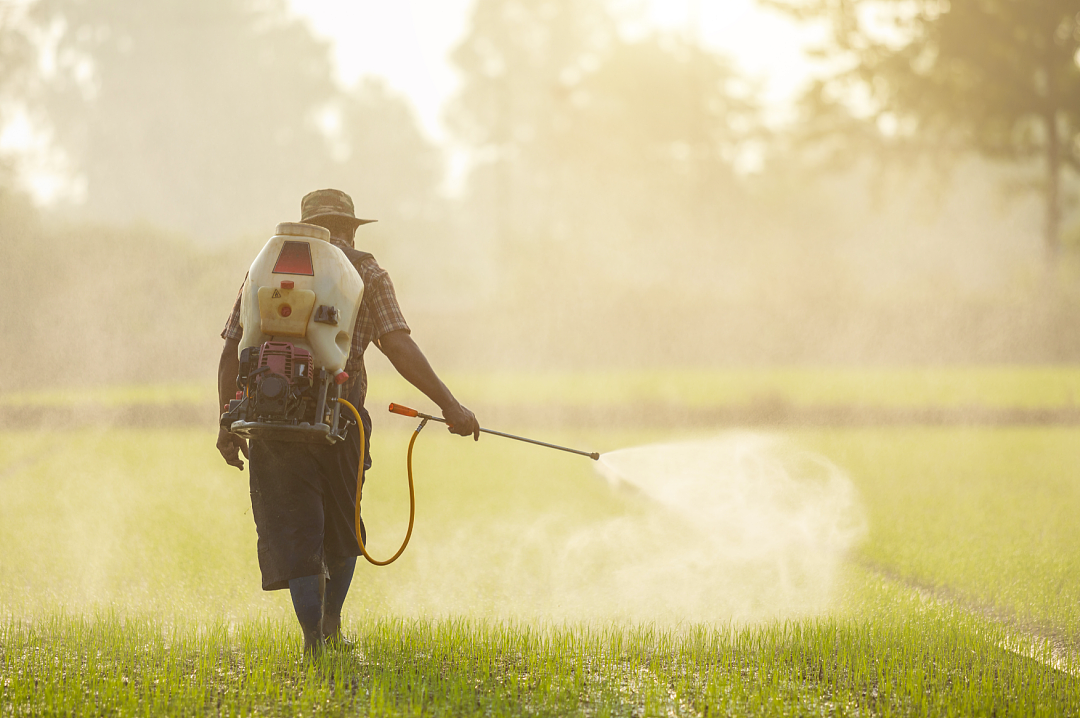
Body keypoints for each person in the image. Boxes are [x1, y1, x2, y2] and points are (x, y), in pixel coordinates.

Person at [216, 188, 479, 657]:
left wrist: (225, 423)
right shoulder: (367, 272)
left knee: (297, 532)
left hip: (272, 424)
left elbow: (233, 350)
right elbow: (397, 345)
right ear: (349, 229)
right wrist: (450, 406)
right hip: (341, 419)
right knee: (342, 529)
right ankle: (331, 627)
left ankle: (313, 640)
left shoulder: (266, 269)